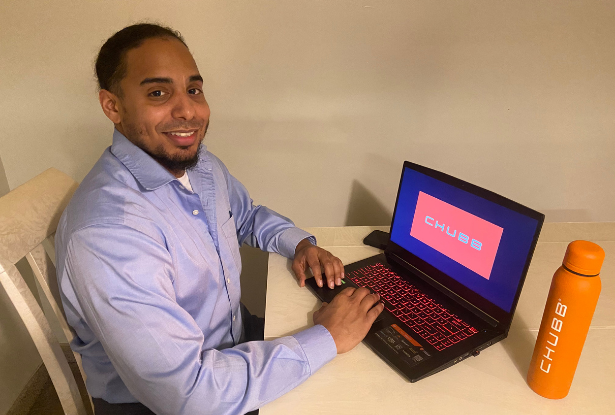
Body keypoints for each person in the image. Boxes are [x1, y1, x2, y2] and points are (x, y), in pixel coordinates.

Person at [55, 23, 384, 415]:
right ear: (113, 106)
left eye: (193, 90)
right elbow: (189, 395)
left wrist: (298, 244)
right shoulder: (109, 233)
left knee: (375, 356)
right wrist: (327, 336)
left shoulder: (199, 164)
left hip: (233, 341)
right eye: (158, 93)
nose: (188, 110)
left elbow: (245, 215)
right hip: (171, 400)